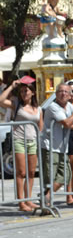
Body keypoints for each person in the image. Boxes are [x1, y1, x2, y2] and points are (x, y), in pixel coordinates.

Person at [0, 78, 43, 212]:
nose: (24, 93)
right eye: (22, 91)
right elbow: (1, 100)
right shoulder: (16, 104)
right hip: (19, 140)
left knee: (31, 172)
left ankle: (28, 200)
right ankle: (21, 201)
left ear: (33, 93)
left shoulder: (38, 108)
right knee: (21, 172)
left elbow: (40, 126)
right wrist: (12, 86)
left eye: (27, 91)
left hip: (32, 141)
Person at [40, 83, 73, 206]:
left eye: (66, 92)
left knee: (66, 175)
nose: (63, 94)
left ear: (70, 95)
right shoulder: (53, 107)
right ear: (56, 94)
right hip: (50, 147)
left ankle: (46, 197)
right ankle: (46, 205)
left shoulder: (69, 106)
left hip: (62, 147)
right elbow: (66, 123)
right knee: (50, 177)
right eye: (60, 91)